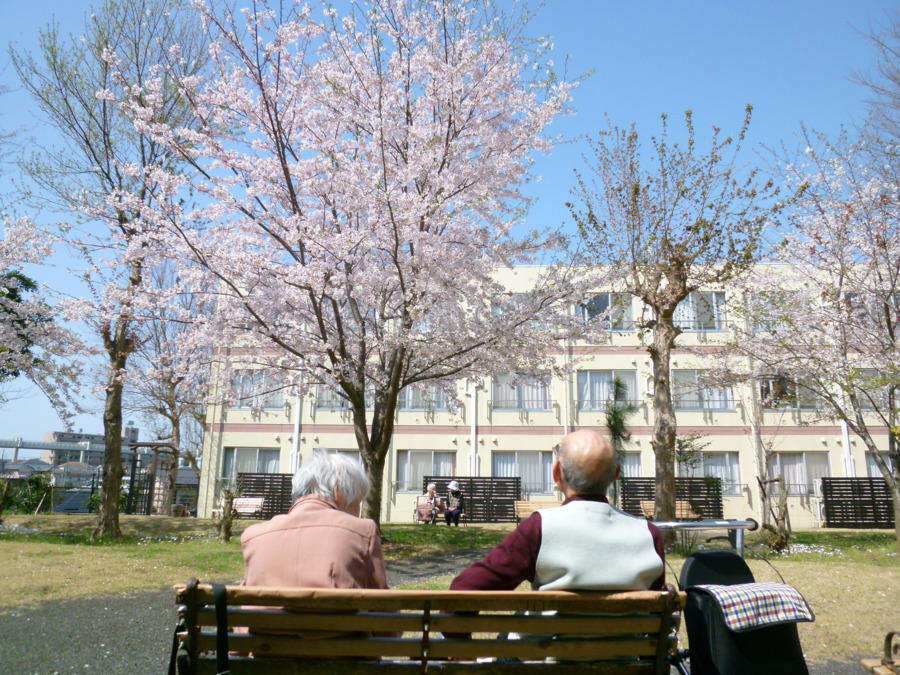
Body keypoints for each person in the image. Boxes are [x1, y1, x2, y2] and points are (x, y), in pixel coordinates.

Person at [450, 429, 664, 592]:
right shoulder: (649, 534)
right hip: (624, 650)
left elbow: (465, 589)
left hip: (547, 650)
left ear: (556, 473)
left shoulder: (540, 527)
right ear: (616, 473)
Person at [241, 451, 388, 591]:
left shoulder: (253, 537)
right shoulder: (363, 533)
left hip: (264, 619)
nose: (359, 510)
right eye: (358, 501)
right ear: (338, 493)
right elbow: (383, 606)